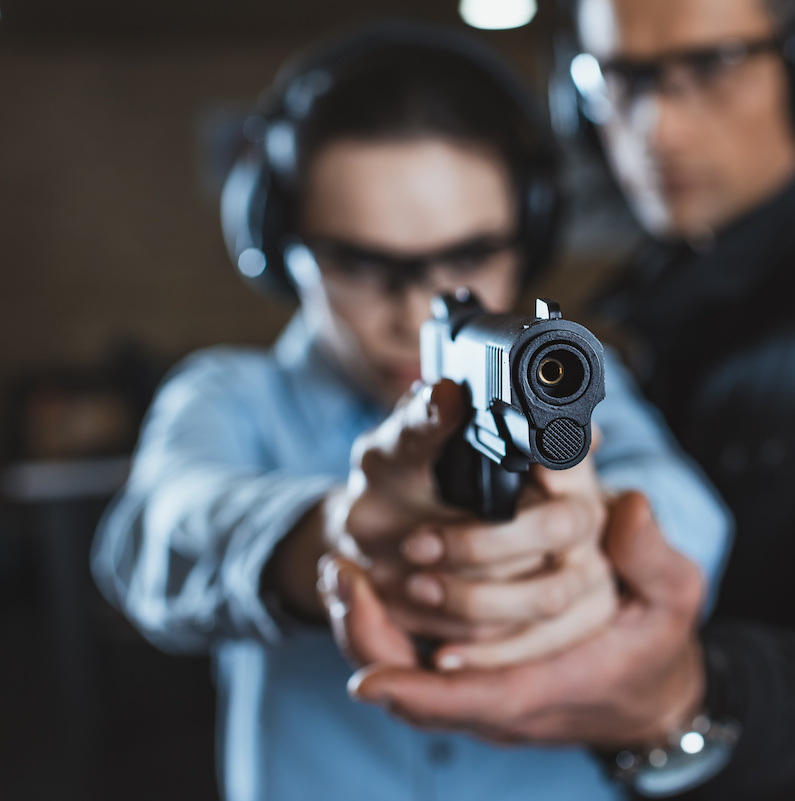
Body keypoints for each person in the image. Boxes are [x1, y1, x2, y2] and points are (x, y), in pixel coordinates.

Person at [345, 1, 795, 799]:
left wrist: (685, 694)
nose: (657, 128)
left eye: (713, 65)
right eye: (621, 79)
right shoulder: (649, 306)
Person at [91, 23, 730, 801]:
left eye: (468, 256)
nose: (415, 314)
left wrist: (580, 553)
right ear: (279, 249)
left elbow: (691, 518)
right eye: (362, 263)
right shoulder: (229, 393)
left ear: (526, 240)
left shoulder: (566, 379)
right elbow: (154, 538)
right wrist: (330, 536)